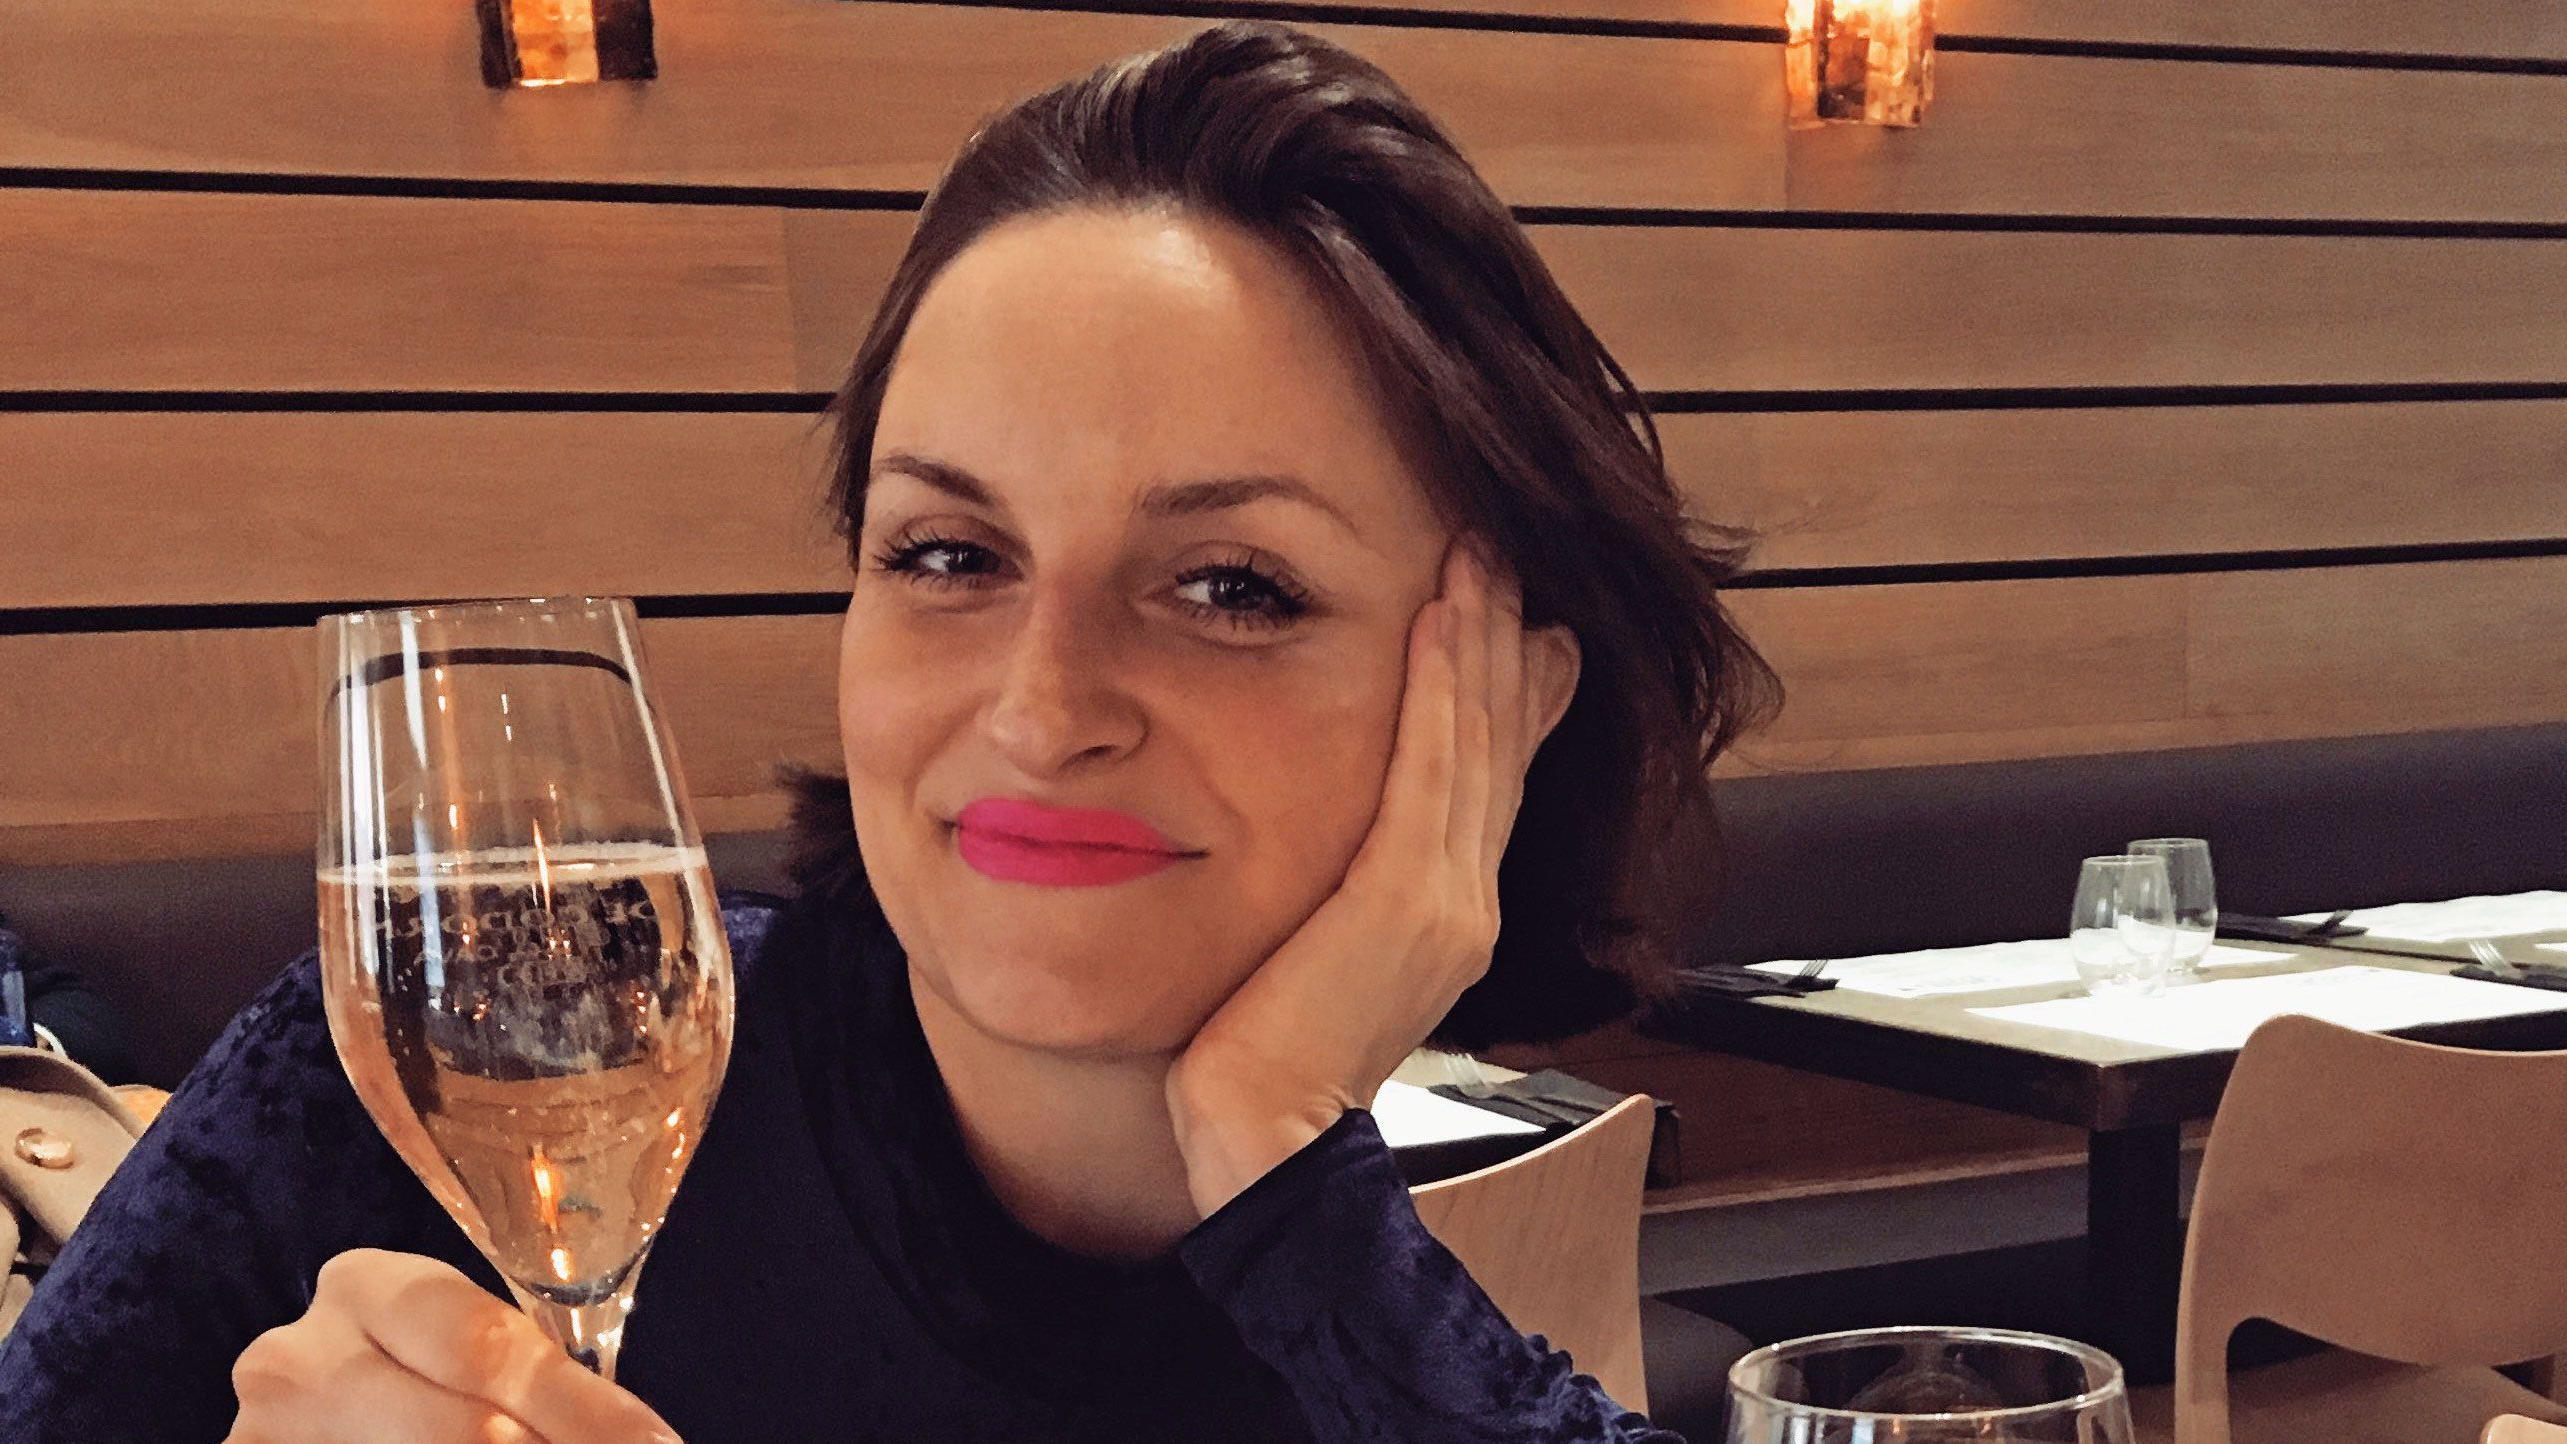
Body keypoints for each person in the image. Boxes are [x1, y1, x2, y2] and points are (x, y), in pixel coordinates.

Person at [0, 19, 1775, 1442]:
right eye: (948, 554)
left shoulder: (1391, 1350)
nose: (1041, 702)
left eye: (1233, 585)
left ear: (1507, 701)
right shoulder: (440, 1082)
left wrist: (1279, 1156)